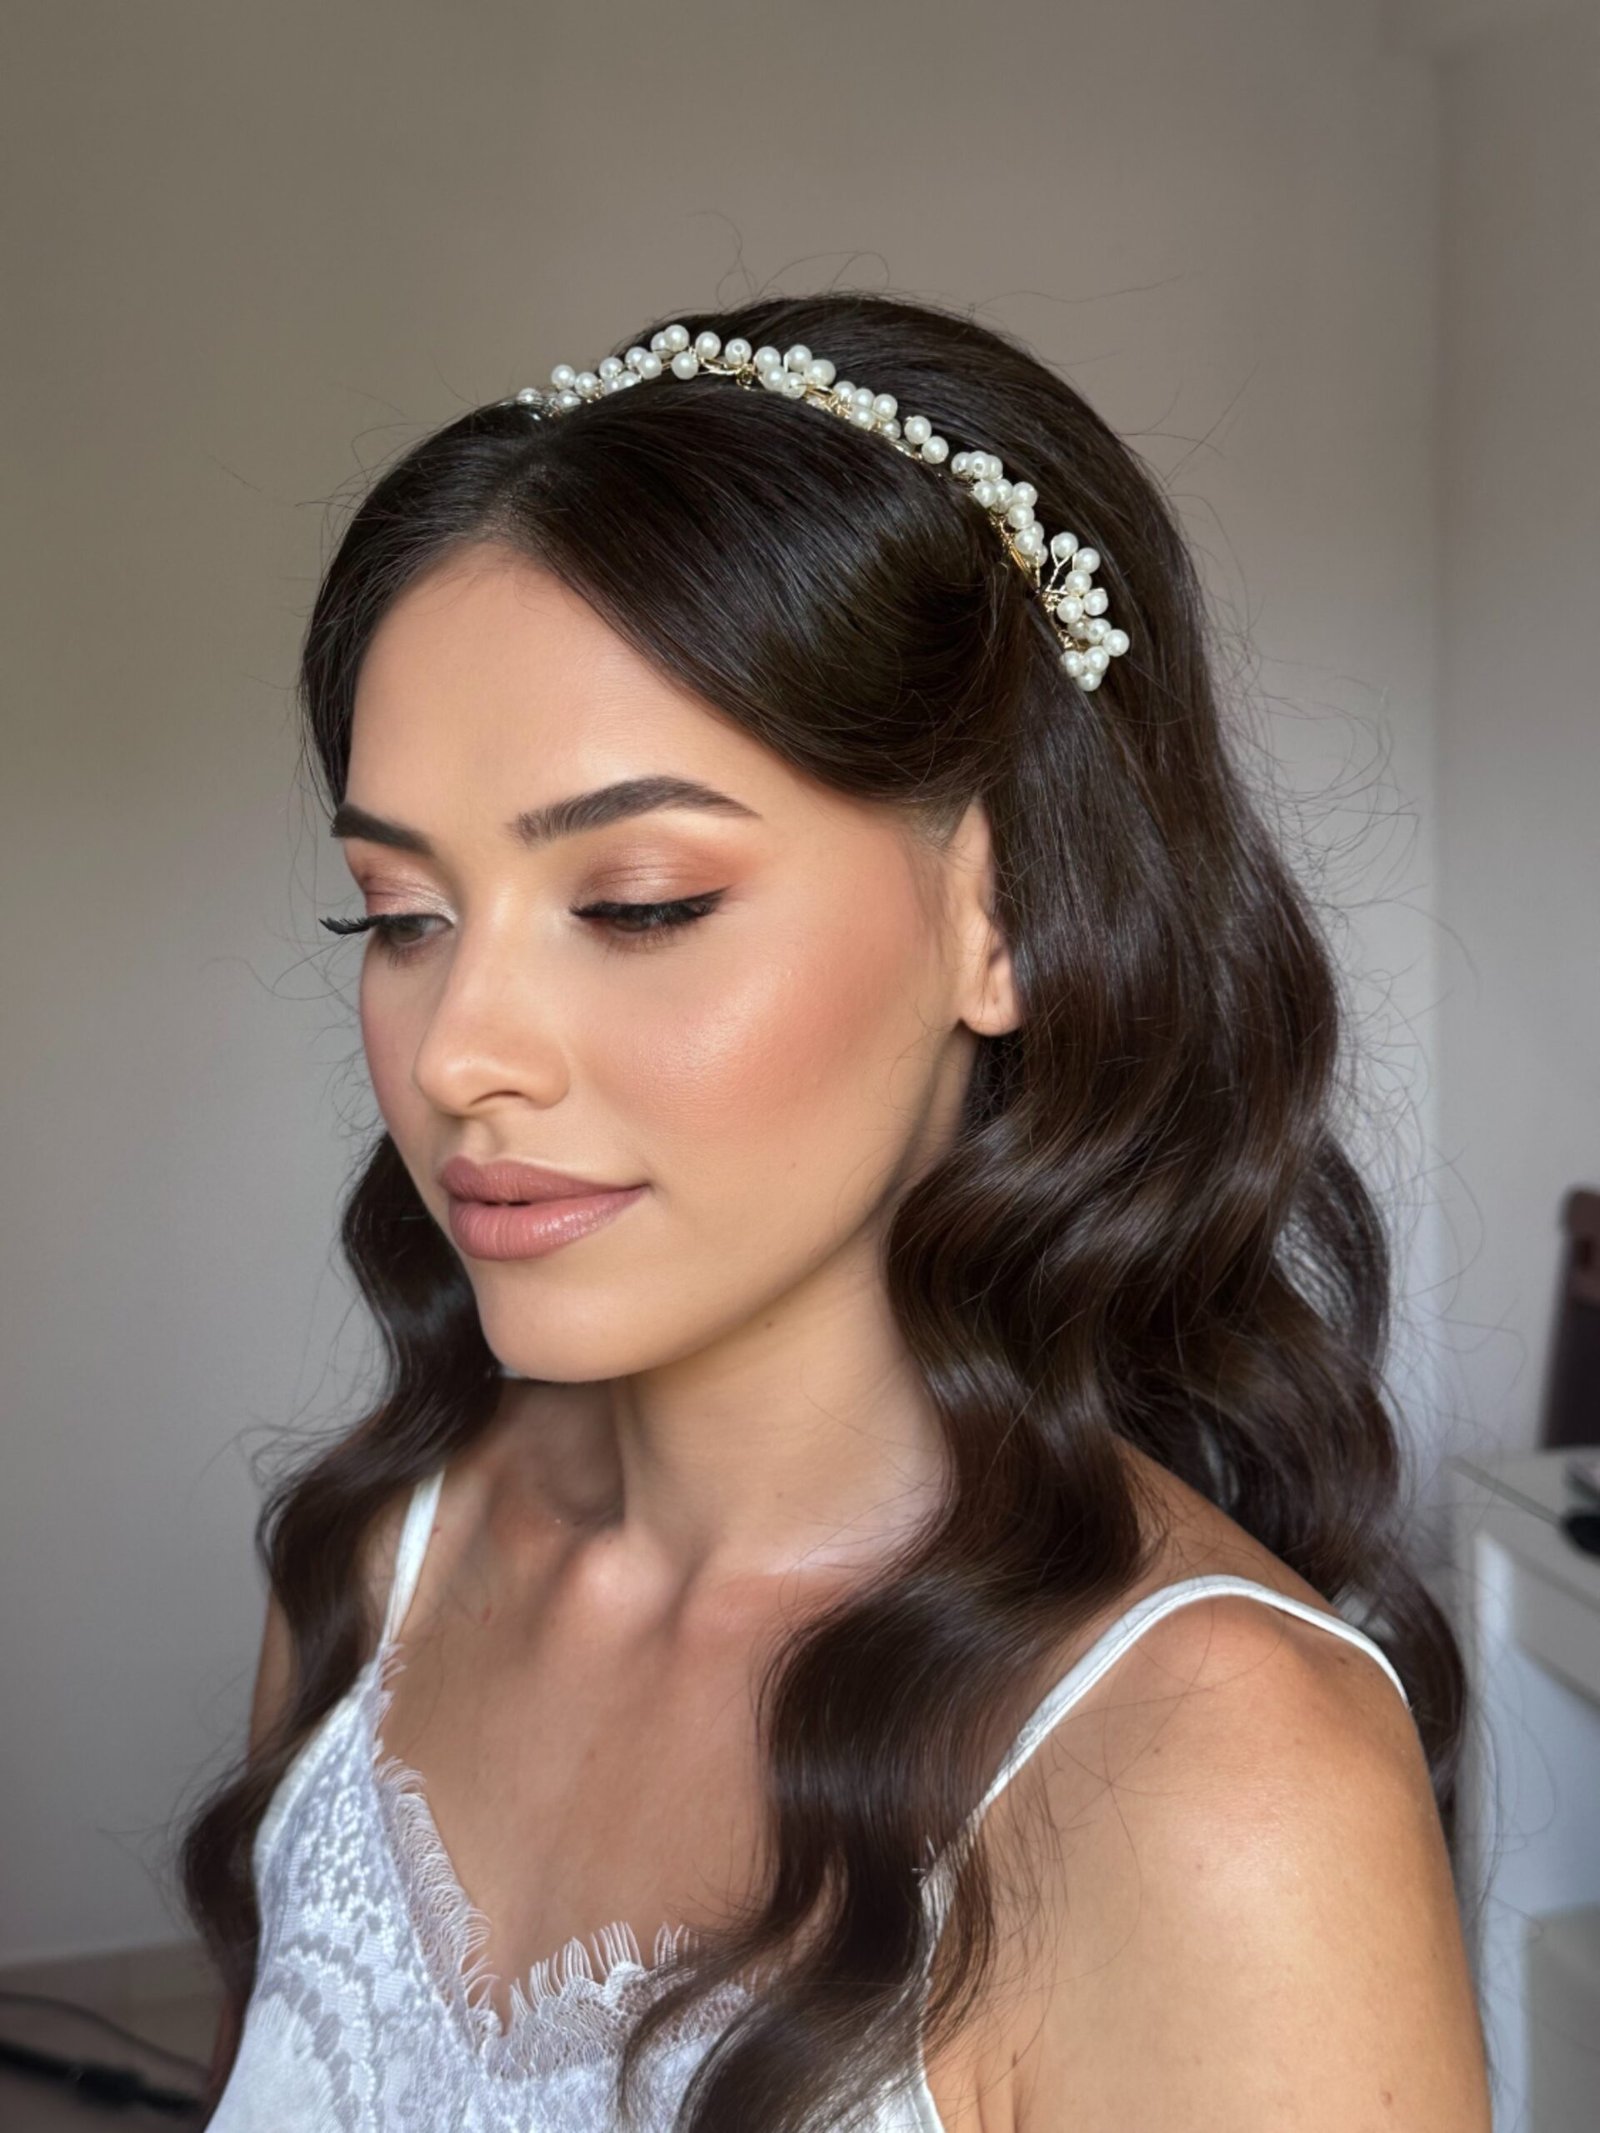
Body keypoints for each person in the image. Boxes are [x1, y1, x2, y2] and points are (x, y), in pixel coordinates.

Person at [180, 290, 1492, 2132]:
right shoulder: (381, 1562)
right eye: (400, 916)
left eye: (639, 903)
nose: (459, 1048)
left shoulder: (1216, 1788)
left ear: (1007, 912)